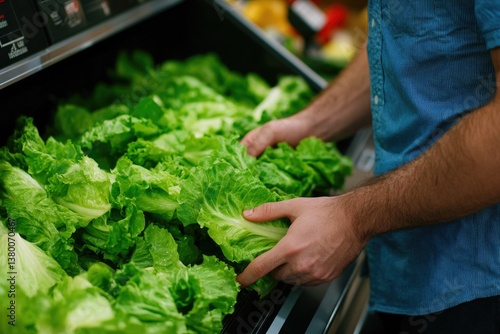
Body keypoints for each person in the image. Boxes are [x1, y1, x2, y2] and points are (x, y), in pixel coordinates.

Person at [236, 1, 500, 333]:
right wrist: (312, 123)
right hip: (404, 264)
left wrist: (352, 219)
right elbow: (402, 36)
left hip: (477, 285)